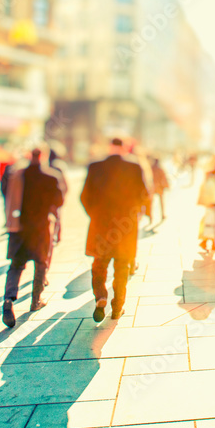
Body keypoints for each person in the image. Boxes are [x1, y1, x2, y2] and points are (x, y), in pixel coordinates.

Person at [80, 138, 149, 322]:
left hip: (101, 225)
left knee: (99, 264)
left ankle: (101, 296)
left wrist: (94, 214)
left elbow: (85, 196)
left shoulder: (95, 167)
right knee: (122, 266)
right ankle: (118, 306)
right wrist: (136, 214)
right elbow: (144, 195)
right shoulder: (134, 167)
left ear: (109, 147)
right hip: (125, 227)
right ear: (124, 149)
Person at [1, 146, 65, 328]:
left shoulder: (17, 175)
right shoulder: (51, 176)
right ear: (43, 156)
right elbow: (59, 200)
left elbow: (5, 192)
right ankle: (36, 300)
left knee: (16, 265)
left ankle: (9, 299)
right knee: (41, 262)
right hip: (41, 226)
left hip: (19, 226)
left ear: (29, 156)